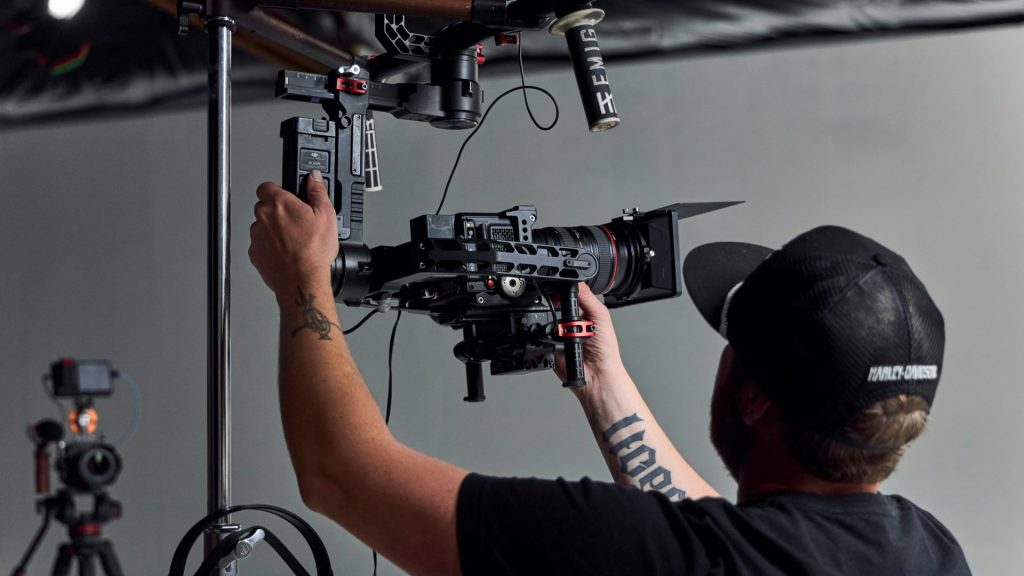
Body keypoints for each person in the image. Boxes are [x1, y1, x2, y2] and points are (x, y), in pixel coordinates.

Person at [248, 170, 970, 575]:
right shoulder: (932, 554)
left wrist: (304, 284)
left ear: (751, 398)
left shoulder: (624, 549)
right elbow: (730, 544)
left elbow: (342, 473)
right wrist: (603, 381)